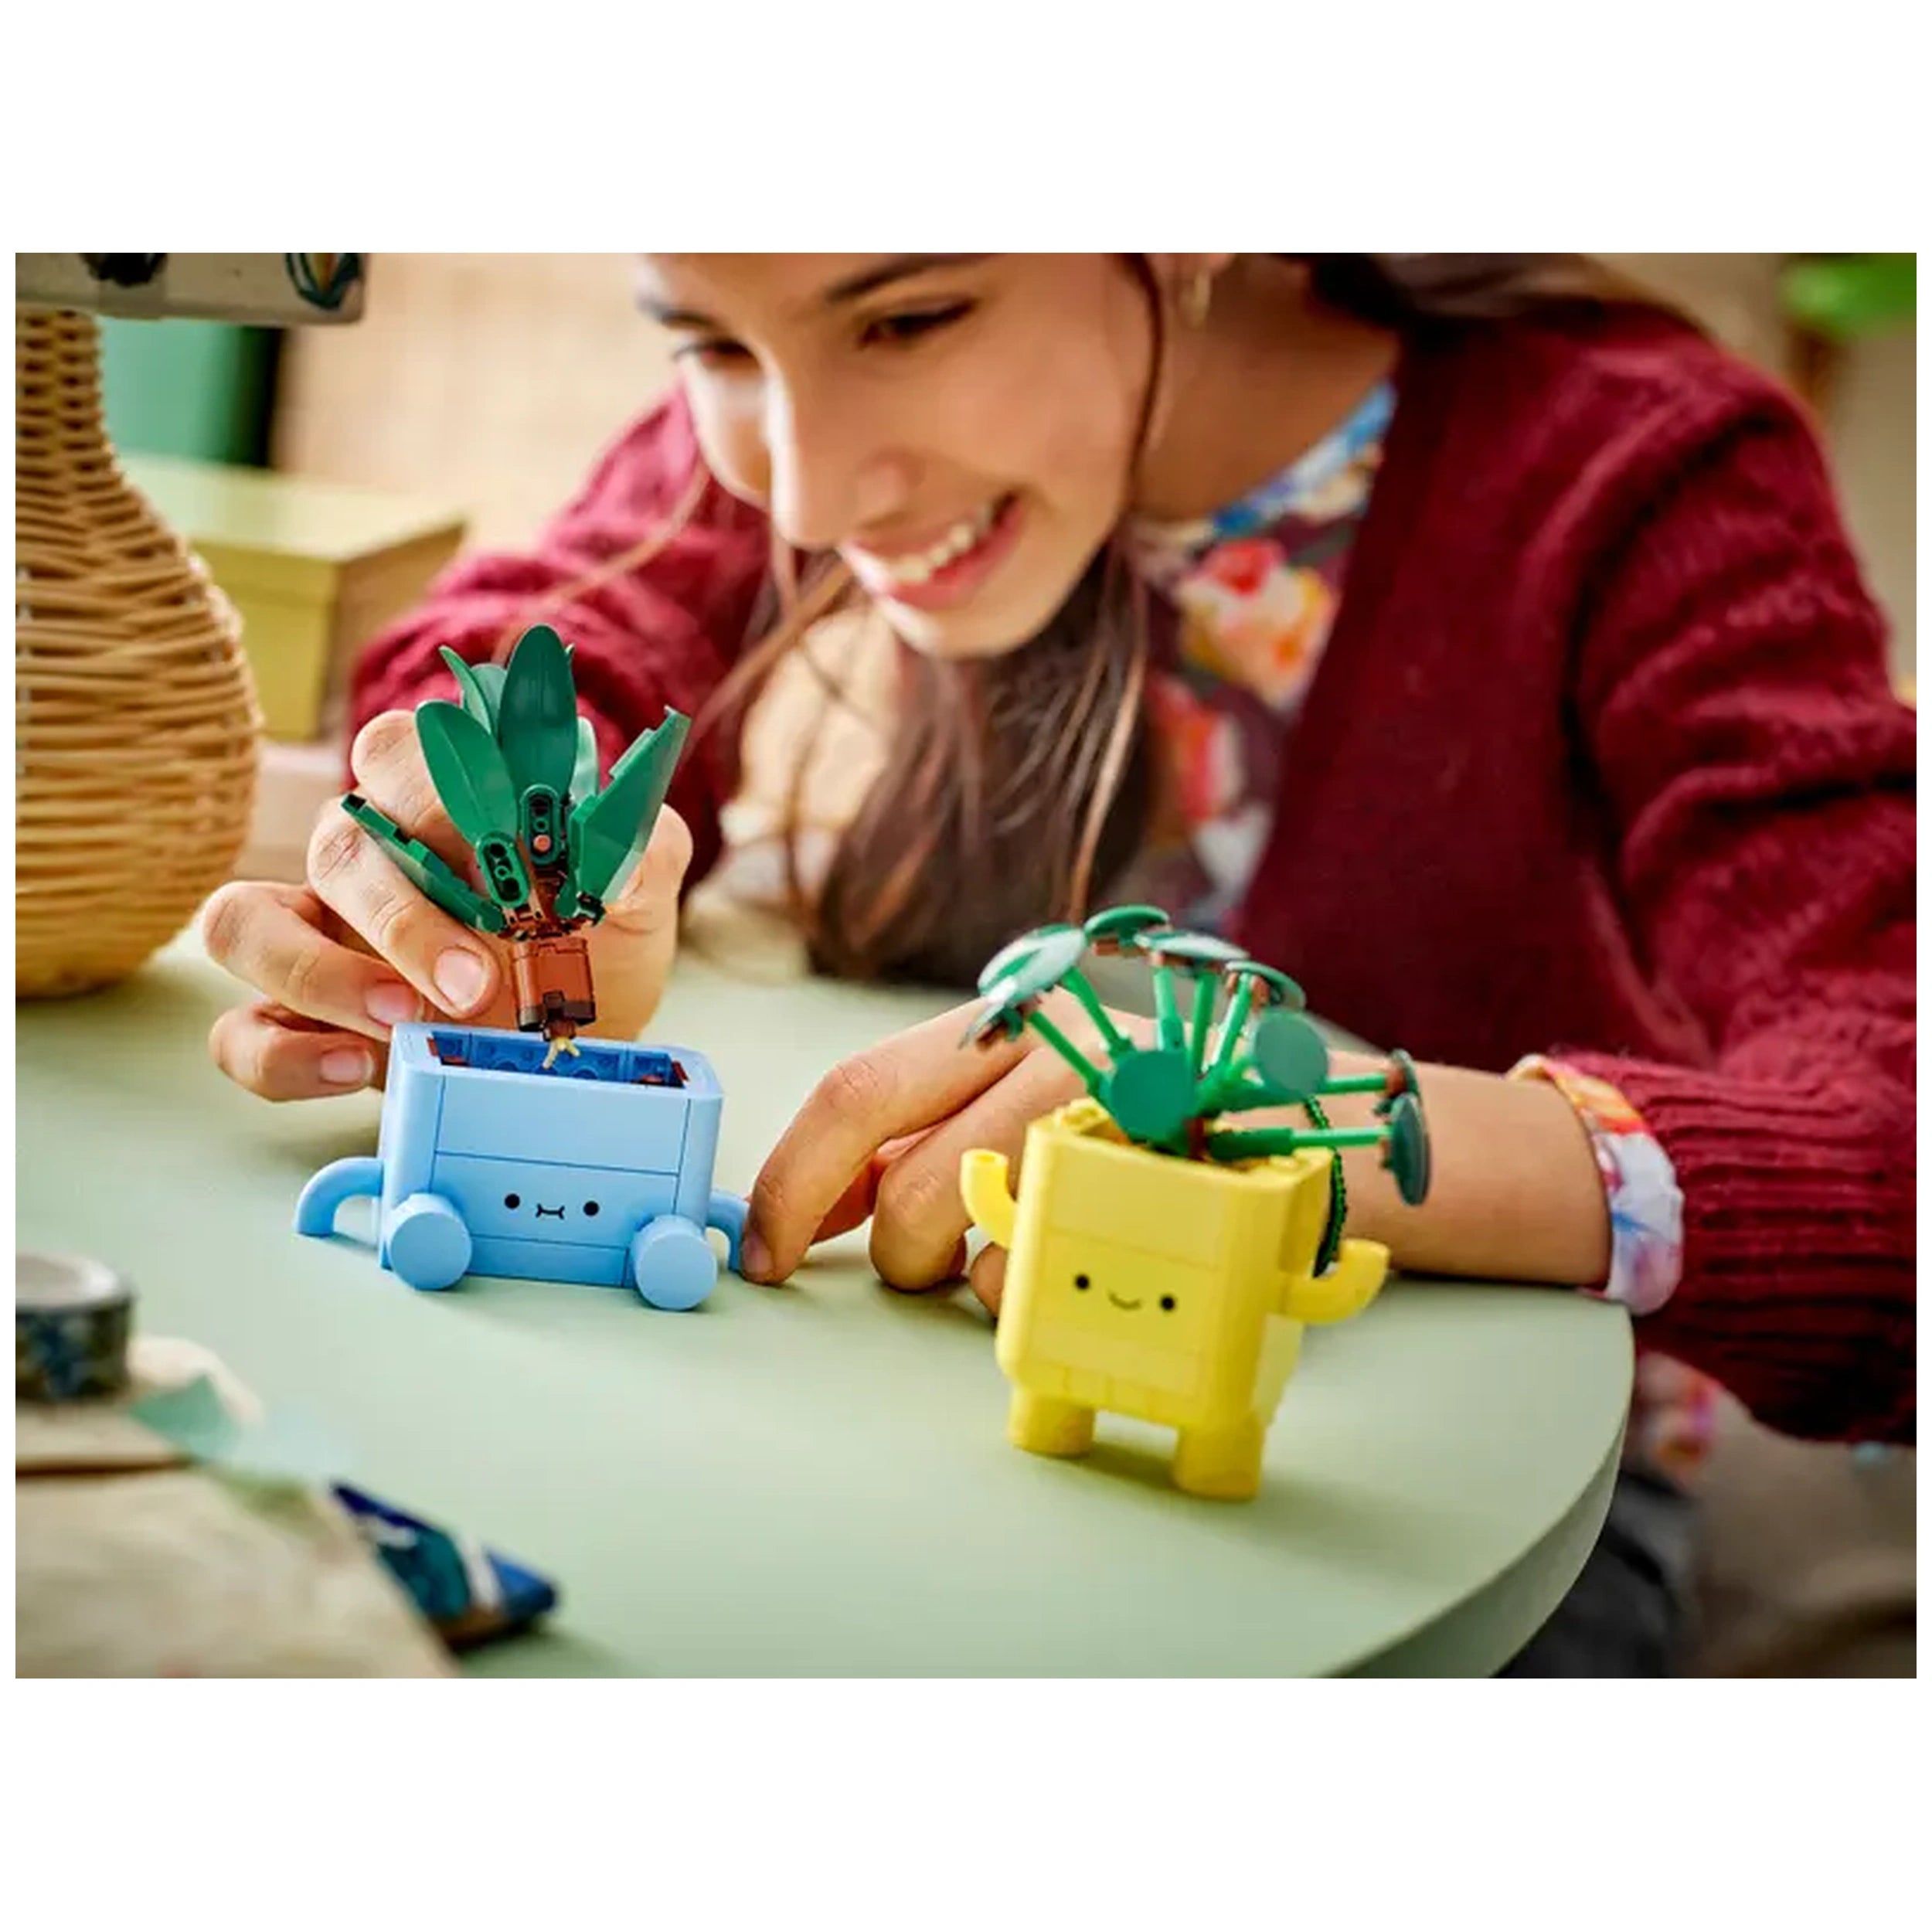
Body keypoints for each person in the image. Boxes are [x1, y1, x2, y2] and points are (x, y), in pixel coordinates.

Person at [202, 255, 1917, 1672]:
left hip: (1463, 1507)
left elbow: (1889, 1141)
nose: (808, 487)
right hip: (918, 1414)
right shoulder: (819, 386)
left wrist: (1315, 1113)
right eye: (708, 342)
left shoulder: (1631, 470)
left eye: (909, 318)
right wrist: (496, 833)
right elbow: (567, 627)